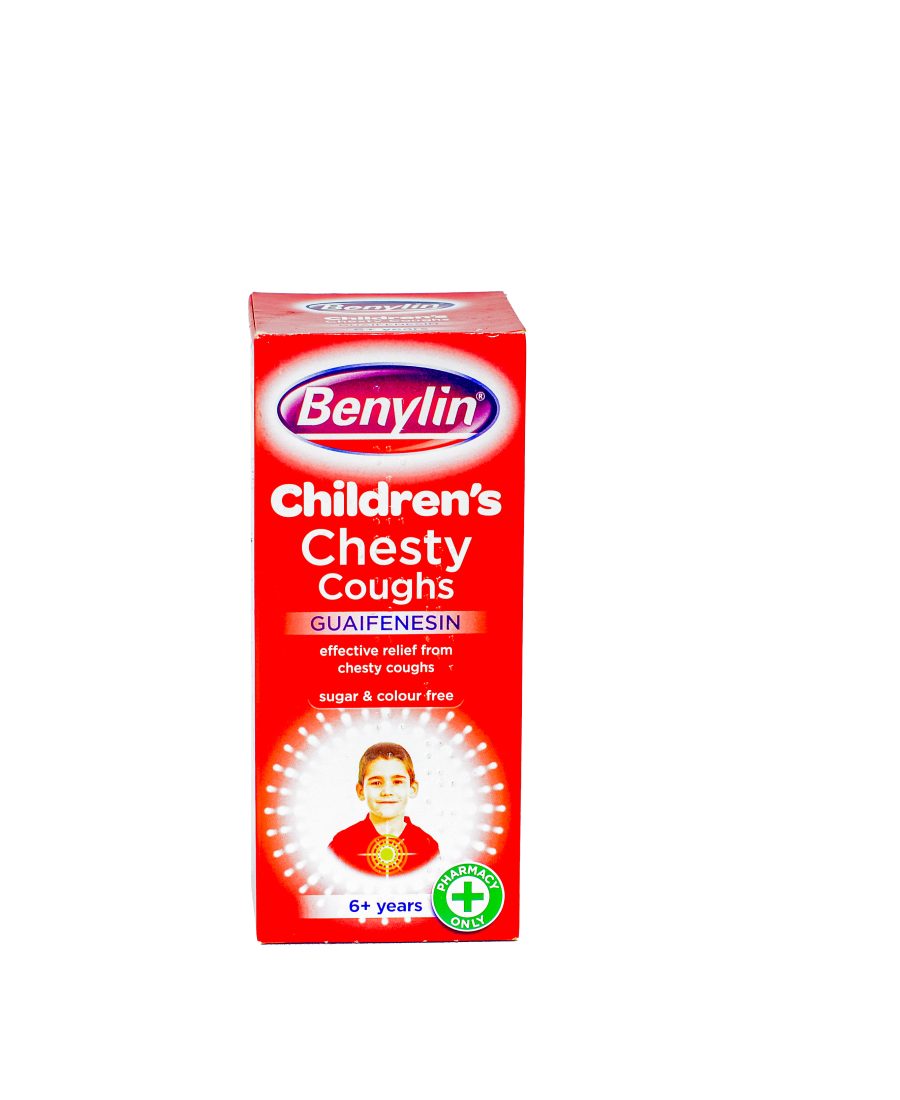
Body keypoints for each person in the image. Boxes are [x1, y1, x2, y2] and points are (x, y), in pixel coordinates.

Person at [329, 742, 439, 876]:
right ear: (361, 791)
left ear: (412, 788)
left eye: (397, 782)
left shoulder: (426, 846)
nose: (387, 791)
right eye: (376, 783)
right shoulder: (342, 844)